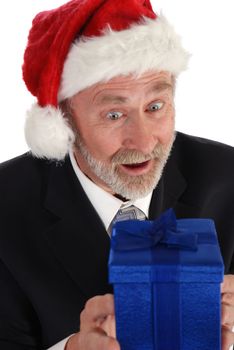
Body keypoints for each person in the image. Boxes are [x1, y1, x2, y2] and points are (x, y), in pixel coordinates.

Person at [0, 0, 234, 349]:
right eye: (114, 114)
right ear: (64, 120)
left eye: (155, 107)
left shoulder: (229, 175)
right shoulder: (5, 207)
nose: (143, 141)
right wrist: (73, 348)